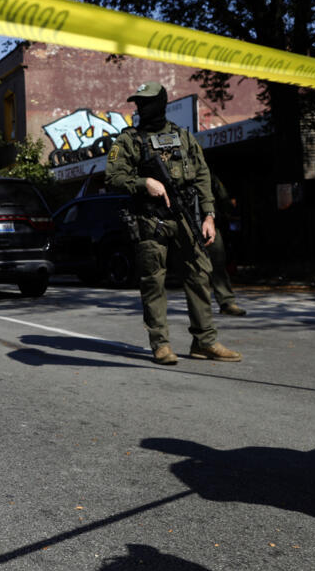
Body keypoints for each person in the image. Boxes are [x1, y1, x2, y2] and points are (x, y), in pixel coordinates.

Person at [103, 81, 241, 366]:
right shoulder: (128, 140)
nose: (141, 107)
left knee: (200, 276)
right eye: (138, 102)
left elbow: (202, 176)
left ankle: (204, 341)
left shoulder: (183, 136)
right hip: (151, 219)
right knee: (154, 282)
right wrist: (144, 182)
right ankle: (161, 345)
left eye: (147, 102)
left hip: (186, 217)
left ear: (162, 102)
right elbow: (112, 178)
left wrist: (209, 216)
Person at [208, 175, 246, 316]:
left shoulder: (209, 176)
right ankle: (200, 307)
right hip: (182, 220)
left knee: (217, 262)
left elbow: (223, 197)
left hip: (209, 220)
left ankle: (226, 302)